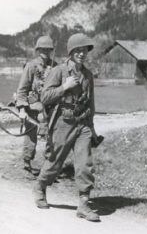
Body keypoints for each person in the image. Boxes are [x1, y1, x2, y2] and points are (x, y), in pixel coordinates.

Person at [33, 33, 100, 222]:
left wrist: (92, 127)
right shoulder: (59, 71)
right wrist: (64, 87)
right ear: (71, 53)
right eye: (77, 50)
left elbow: (91, 103)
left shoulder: (87, 75)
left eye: (84, 50)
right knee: (54, 162)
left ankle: (84, 204)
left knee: (85, 163)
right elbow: (45, 97)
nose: (81, 54)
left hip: (83, 124)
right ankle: (40, 186)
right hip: (63, 123)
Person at [15, 36, 57, 178]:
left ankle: (48, 166)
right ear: (38, 50)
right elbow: (22, 89)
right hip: (32, 107)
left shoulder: (56, 67)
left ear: (51, 50)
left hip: (50, 108)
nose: (45, 52)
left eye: (48, 49)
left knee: (52, 137)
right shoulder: (31, 66)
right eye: (42, 49)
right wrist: (21, 109)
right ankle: (27, 164)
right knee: (30, 136)